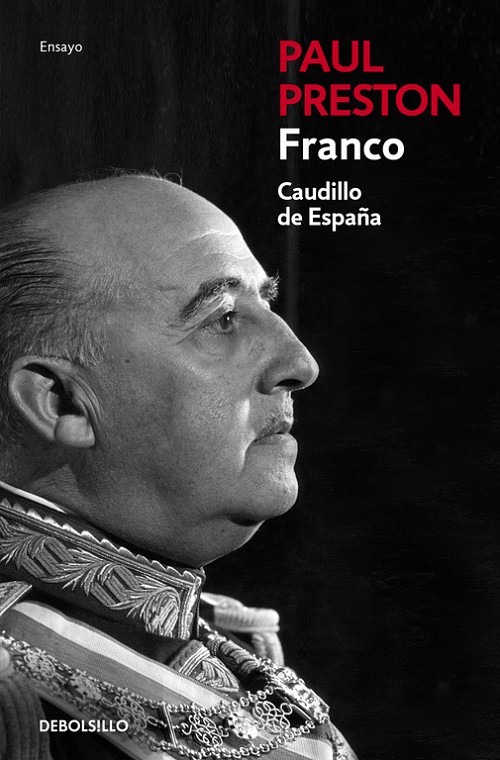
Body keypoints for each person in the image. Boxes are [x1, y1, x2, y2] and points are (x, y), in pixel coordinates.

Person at [0, 175, 357, 760]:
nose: (301, 363)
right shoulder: (16, 698)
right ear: (63, 402)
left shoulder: (223, 642)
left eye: (265, 303)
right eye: (223, 318)